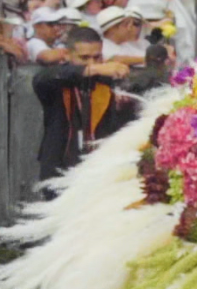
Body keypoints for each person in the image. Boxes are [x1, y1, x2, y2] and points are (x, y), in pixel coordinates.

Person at [31, 23, 132, 184]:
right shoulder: (55, 79)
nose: (92, 63)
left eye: (97, 57)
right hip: (60, 168)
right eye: (84, 58)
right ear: (67, 55)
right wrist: (93, 70)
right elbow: (42, 78)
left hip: (98, 169)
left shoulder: (108, 81)